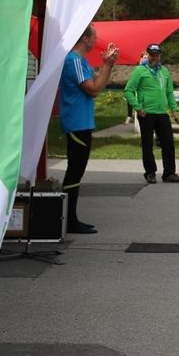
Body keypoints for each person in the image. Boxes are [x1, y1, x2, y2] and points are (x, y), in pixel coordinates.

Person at [58, 24, 119, 234]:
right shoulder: (73, 60)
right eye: (94, 38)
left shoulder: (81, 61)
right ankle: (68, 220)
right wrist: (105, 65)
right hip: (76, 122)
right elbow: (92, 89)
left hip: (83, 122)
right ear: (85, 39)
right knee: (74, 171)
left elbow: (98, 85)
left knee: (77, 171)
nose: (95, 42)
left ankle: (70, 218)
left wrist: (108, 65)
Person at [124, 43, 179, 185]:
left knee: (168, 142)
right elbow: (128, 90)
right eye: (152, 54)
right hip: (146, 112)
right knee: (147, 143)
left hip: (162, 112)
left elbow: (169, 92)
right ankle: (150, 172)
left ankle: (169, 173)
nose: (154, 57)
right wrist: (138, 107)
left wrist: (174, 109)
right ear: (147, 55)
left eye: (157, 54)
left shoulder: (164, 71)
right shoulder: (140, 71)